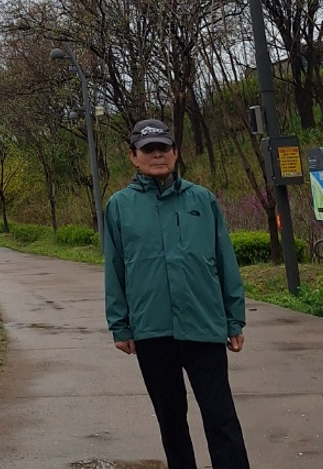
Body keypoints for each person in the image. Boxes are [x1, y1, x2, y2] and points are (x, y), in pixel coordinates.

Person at [103, 119, 250, 469]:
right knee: (171, 421)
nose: (157, 155)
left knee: (221, 416)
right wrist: (120, 325)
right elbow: (115, 267)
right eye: (148, 149)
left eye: (163, 148)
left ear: (175, 152)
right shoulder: (119, 206)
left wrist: (234, 319)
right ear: (133, 156)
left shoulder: (202, 200)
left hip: (204, 324)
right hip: (152, 330)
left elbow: (225, 261)